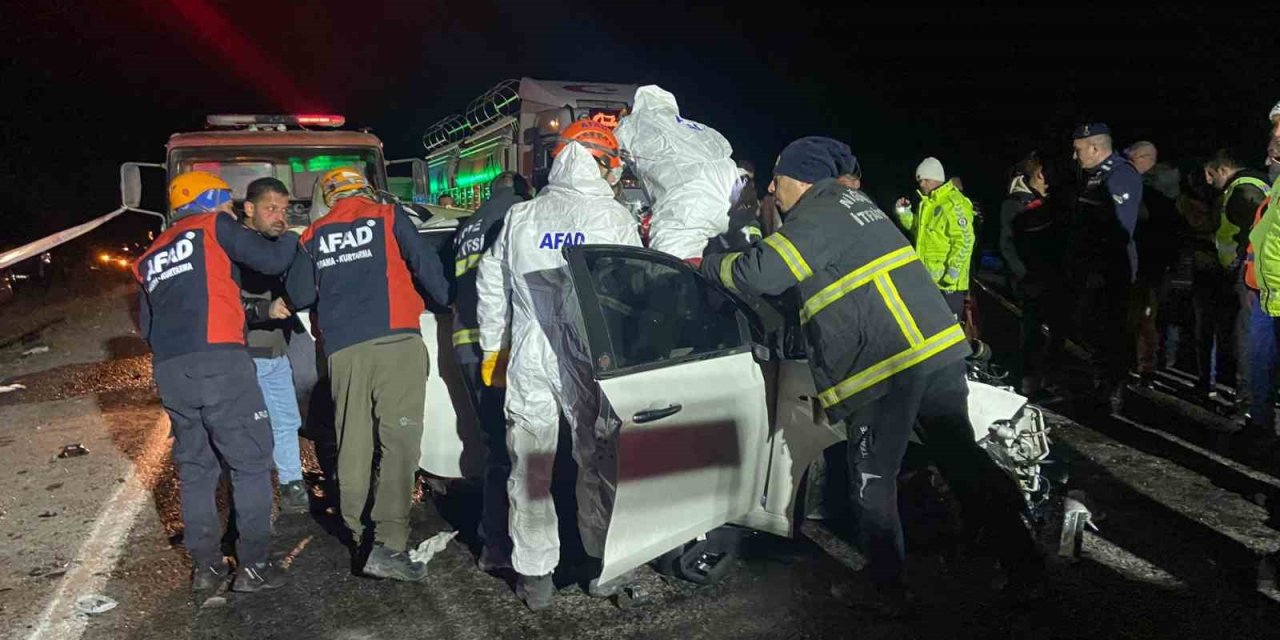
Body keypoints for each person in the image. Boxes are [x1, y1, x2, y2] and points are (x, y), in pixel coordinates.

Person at [704, 137, 1042, 614]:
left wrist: (709, 263)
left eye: (776, 181)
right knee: (961, 459)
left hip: (887, 367)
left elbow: (763, 273)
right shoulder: (853, 204)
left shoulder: (818, 212)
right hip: (935, 353)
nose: (772, 191)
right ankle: (1022, 564)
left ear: (799, 179)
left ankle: (887, 590)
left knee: (872, 478)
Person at [475, 129, 643, 610]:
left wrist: (495, 348)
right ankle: (603, 564)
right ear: (600, 161)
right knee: (600, 462)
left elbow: (490, 282)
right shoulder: (613, 218)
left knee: (530, 467)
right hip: (593, 358)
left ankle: (535, 578)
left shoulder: (522, 216)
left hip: (530, 354)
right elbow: (632, 295)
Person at [134, 171, 298, 594]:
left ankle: (206, 569)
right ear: (210, 201)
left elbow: (148, 325)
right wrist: (294, 235)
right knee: (250, 464)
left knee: (195, 472)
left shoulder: (152, 253)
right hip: (220, 362)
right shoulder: (211, 225)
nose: (231, 211)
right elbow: (273, 260)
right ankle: (255, 567)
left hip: (172, 370)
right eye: (226, 203)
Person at [285, 167, 451, 582]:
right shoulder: (388, 216)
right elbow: (425, 264)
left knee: (353, 442)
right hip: (396, 341)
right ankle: (388, 541)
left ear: (329, 197)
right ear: (366, 189)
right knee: (399, 440)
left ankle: (358, 531)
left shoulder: (312, 236)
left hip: (343, 352)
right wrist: (449, 302)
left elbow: (301, 295)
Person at [450, 170, 531, 572]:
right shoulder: (519, 214)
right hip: (502, 347)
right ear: (521, 191)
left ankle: (494, 542)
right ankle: (503, 544)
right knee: (516, 449)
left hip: (466, 344)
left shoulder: (468, 224)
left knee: (493, 444)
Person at [237, 177, 308, 513]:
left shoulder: (274, 243)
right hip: (247, 354)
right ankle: (253, 498)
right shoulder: (235, 245)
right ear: (249, 209)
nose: (280, 216)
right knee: (253, 426)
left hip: (276, 350)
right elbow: (225, 302)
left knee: (286, 420)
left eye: (284, 208)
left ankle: (292, 485)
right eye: (271, 208)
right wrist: (264, 310)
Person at [1068, 123, 1143, 401]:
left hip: (1110, 271)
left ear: (1096, 148)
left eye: (1078, 151)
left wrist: (1100, 270)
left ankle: (1111, 391)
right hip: (1092, 269)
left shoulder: (1120, 176)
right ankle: (1102, 382)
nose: (1075, 157)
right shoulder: (1095, 177)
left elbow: (1118, 231)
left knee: (1110, 331)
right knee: (1095, 329)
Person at [1202, 149, 1269, 412]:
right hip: (1255, 273)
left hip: (1249, 275)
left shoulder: (1244, 191)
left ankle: (1247, 401)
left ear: (1222, 170)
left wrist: (1241, 260)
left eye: (1210, 174)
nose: (1209, 182)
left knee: (1247, 336)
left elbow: (1256, 231)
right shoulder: (1259, 182)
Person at [1126, 143, 1182, 385]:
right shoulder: (1170, 189)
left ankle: (1141, 366)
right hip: (1158, 263)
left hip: (1144, 264)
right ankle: (1149, 366)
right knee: (1150, 318)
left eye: (1131, 158)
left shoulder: (1143, 190)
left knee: (1141, 317)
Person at [894, 157, 976, 318]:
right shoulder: (927, 204)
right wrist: (903, 213)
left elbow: (966, 239)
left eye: (924, 180)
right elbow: (918, 231)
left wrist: (952, 273)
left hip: (948, 287)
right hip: (929, 281)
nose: (921, 184)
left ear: (934, 178)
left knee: (947, 333)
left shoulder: (954, 203)